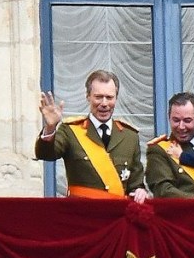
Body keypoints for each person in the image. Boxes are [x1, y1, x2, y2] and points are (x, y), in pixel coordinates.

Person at [36, 70, 149, 203]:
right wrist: (50, 127)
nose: (104, 103)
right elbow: (46, 154)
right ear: (88, 96)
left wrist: (141, 191)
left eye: (109, 97)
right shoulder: (70, 131)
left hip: (116, 216)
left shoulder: (130, 137)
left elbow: (135, 184)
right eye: (98, 97)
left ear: (116, 98)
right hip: (82, 214)